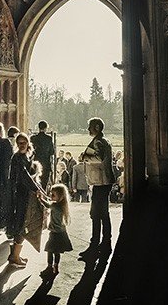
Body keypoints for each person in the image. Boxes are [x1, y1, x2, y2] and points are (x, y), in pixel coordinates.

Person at [6, 131, 47, 268]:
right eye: (19, 143)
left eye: (24, 142)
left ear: (28, 143)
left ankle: (15, 255)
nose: (22, 145)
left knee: (22, 223)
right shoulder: (17, 158)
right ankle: (15, 256)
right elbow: (24, 176)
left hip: (24, 195)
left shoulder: (25, 157)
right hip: (20, 196)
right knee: (22, 223)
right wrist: (36, 189)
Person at [78, 117, 116, 258]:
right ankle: (105, 243)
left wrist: (84, 157)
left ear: (97, 127)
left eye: (90, 127)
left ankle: (95, 245)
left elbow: (98, 158)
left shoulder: (99, 142)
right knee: (102, 214)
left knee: (96, 214)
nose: (88, 129)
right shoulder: (104, 140)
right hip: (103, 182)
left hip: (101, 182)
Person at [43, 181, 73, 276]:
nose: (51, 196)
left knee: (49, 250)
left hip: (54, 233)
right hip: (62, 233)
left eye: (53, 195)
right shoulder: (62, 205)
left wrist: (40, 198)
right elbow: (50, 202)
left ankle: (49, 267)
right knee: (57, 252)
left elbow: (47, 204)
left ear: (60, 196)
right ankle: (56, 266)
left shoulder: (55, 206)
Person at [30, 121, 56, 189]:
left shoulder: (33, 138)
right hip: (46, 164)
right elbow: (52, 152)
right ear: (46, 128)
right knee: (44, 184)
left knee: (35, 183)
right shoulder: (49, 138)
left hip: (36, 163)